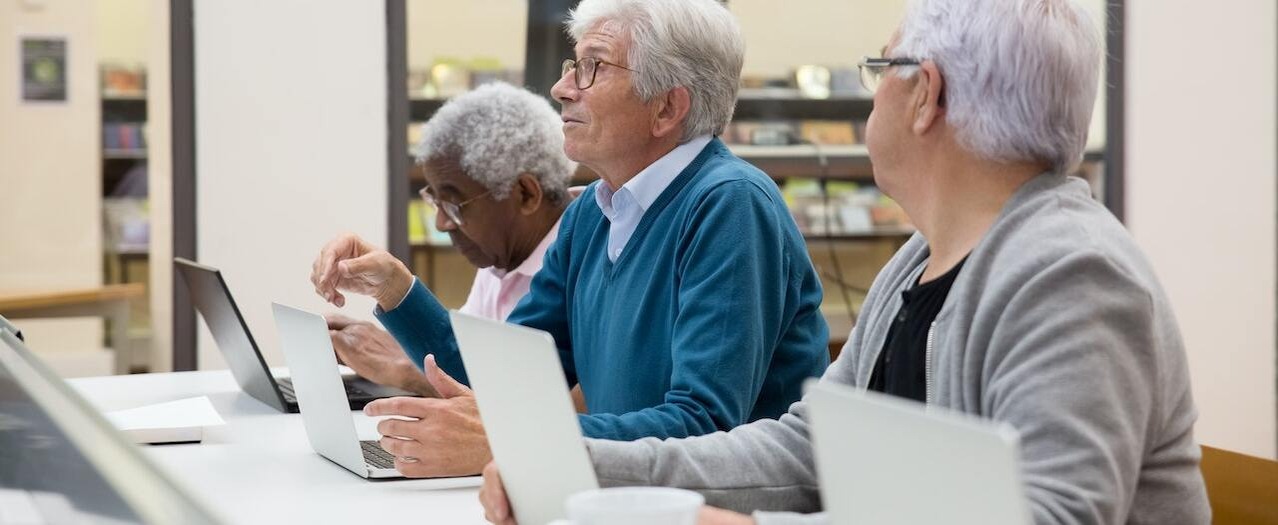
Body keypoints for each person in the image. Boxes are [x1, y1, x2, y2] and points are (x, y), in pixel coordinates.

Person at [479, 0, 1212, 523]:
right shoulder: (918, 261)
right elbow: (808, 447)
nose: (874, 92)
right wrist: (586, 466)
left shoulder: (1072, 276)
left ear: (926, 95)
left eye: (881, 67)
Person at [311, 0, 830, 479]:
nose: (562, 89)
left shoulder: (730, 205)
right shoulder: (591, 213)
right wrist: (396, 290)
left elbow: (704, 429)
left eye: (593, 66)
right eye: (571, 65)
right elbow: (504, 377)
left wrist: (511, 440)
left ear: (667, 109)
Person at [316, 82, 577, 400]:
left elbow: (523, 399)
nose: (441, 223)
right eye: (434, 201)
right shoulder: (503, 256)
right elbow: (465, 360)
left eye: (454, 205)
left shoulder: (581, 258)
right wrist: (393, 332)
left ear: (525, 194)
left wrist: (404, 369)